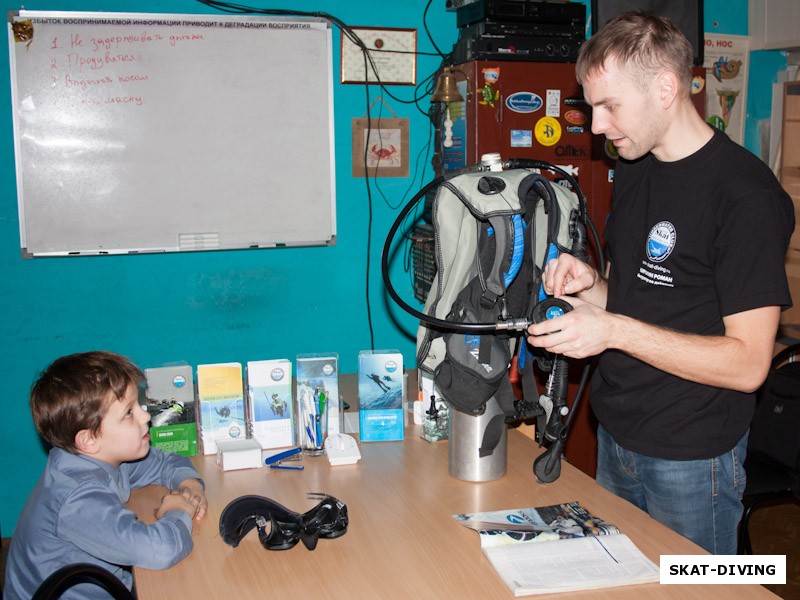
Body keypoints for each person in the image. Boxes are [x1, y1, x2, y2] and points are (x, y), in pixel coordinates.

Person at [526, 11, 794, 555]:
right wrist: (589, 286)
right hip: (618, 436)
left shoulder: (745, 196)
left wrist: (612, 331)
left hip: (694, 458)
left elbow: (748, 365)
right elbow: (641, 296)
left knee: (703, 587)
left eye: (609, 106)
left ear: (667, 88)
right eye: (591, 106)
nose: (596, 126)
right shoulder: (636, 166)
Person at [3, 351, 208, 599]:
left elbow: (163, 461)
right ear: (89, 439)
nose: (146, 416)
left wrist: (189, 485)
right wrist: (177, 510)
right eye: (128, 413)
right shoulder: (77, 499)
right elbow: (161, 550)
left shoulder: (98, 458)